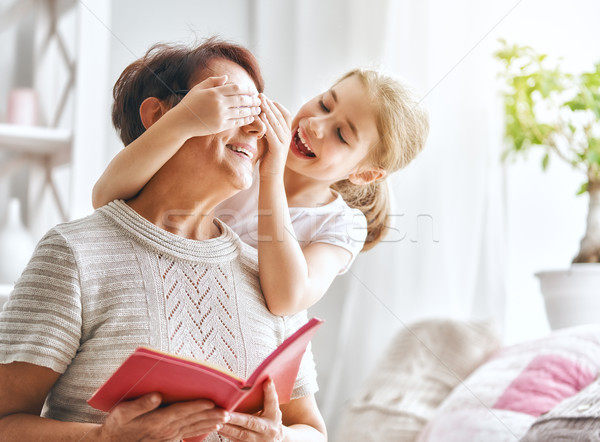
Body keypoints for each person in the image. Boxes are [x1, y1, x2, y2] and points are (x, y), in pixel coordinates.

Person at [0, 38, 326, 442]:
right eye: (234, 105)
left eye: (258, 112)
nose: (257, 127)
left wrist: (281, 439)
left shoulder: (273, 278)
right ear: (160, 116)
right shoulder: (74, 254)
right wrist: (102, 439)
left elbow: (312, 430)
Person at [93, 64, 430, 317]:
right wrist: (182, 120)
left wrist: (271, 173)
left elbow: (286, 299)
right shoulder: (243, 145)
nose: (315, 124)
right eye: (326, 104)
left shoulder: (342, 226)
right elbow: (107, 198)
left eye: (342, 134)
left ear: (366, 173)